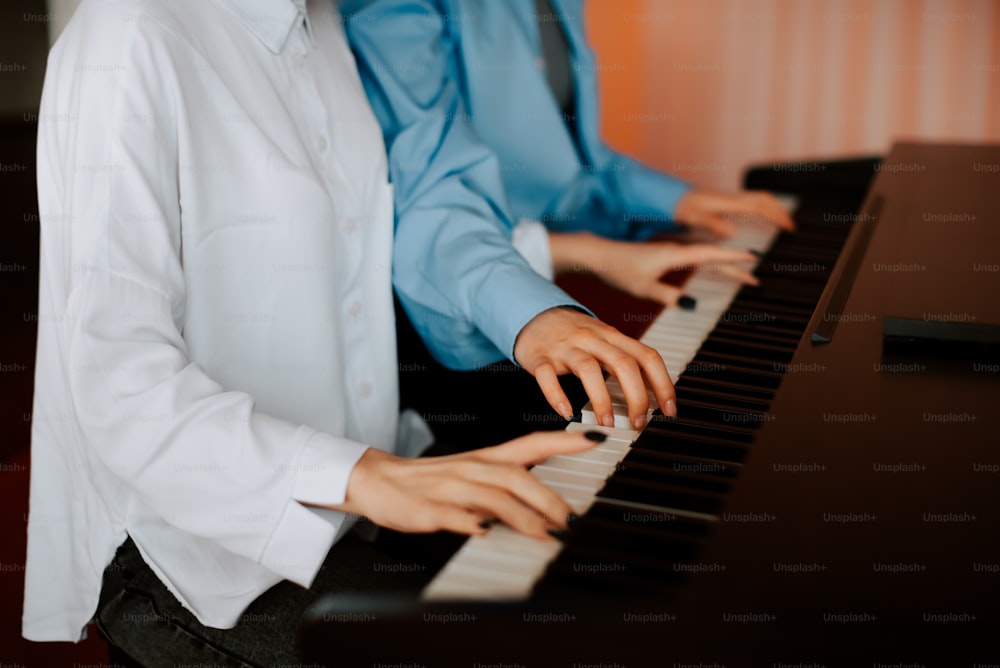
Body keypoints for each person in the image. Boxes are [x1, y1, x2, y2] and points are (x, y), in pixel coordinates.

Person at [23, 0, 609, 664]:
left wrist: (542, 297)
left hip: (349, 509)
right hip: (191, 556)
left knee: (583, 585)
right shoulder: (128, 35)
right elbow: (119, 384)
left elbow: (389, 236)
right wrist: (364, 475)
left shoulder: (322, 26)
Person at [344, 0, 794, 311]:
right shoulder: (392, 10)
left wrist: (679, 202)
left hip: (550, 273)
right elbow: (427, 206)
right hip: (459, 304)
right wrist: (590, 255)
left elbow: (575, 161)